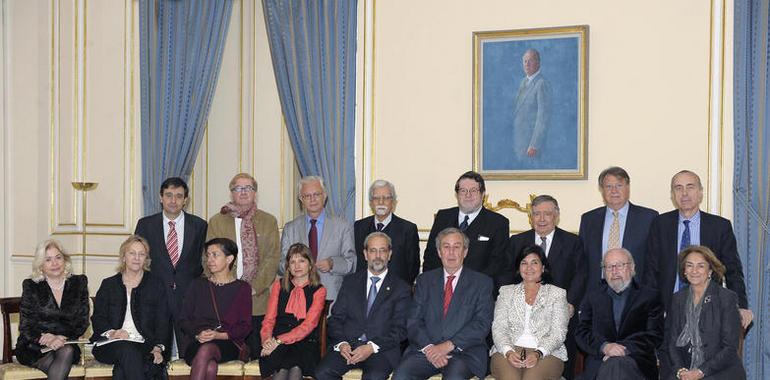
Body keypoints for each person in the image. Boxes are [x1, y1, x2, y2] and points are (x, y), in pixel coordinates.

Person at [644, 170, 752, 328]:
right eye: (678, 188)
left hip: (709, 311)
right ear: (673, 194)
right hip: (667, 312)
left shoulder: (719, 227)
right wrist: (649, 310)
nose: (684, 193)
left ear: (700, 193)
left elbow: (733, 271)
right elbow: (651, 271)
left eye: (690, 187)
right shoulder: (660, 224)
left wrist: (741, 305)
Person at [392, 228, 493, 380]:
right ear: (439, 252)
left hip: (464, 352)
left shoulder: (482, 283)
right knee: (401, 375)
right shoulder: (424, 281)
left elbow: (481, 323)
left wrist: (447, 346)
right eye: (446, 247)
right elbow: (414, 321)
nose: (451, 252)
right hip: (426, 350)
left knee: (454, 377)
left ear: (465, 252)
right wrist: (430, 348)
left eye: (456, 247)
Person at [507, 194, 585, 379]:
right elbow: (506, 275)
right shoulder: (516, 242)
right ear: (530, 217)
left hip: (561, 315)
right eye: (536, 214)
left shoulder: (573, 242)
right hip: (522, 317)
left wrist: (571, 303)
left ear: (556, 216)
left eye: (547, 214)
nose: (541, 219)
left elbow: (580, 275)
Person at [316, 232, 412, 380]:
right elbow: (335, 319)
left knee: (374, 376)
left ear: (390, 254)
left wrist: (371, 347)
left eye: (383, 250)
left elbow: (401, 328)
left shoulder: (401, 288)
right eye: (373, 250)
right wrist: (342, 343)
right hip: (347, 346)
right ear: (365, 254)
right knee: (322, 372)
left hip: (381, 350)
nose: (378, 255)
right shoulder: (350, 282)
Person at [206, 172, 280, 359]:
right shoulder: (217, 221)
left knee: (256, 357)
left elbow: (272, 259)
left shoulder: (268, 221)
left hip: (257, 300)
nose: (244, 192)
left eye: (249, 188)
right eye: (238, 188)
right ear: (231, 193)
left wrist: (252, 288)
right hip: (224, 301)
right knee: (226, 358)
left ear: (255, 193)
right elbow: (209, 258)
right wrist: (227, 289)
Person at [134, 176, 208, 358]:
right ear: (161, 198)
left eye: (178, 196)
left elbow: (205, 262)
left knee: (189, 355)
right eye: (168, 195)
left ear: (185, 200)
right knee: (158, 355)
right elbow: (137, 261)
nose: (173, 201)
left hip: (188, 298)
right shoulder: (145, 225)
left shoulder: (199, 225)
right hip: (156, 297)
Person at [576, 248, 663, 380]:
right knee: (613, 367)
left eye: (620, 265)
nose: (614, 271)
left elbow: (654, 335)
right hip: (600, 360)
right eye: (609, 267)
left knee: (616, 365)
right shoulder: (593, 297)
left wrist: (622, 349)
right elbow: (582, 332)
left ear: (632, 268)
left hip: (636, 361)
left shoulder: (649, 296)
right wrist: (605, 347)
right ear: (604, 272)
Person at [90, 235, 170, 379]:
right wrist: (113, 333)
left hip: (143, 343)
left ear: (146, 258)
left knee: (122, 370)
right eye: (132, 253)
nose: (137, 258)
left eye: (141, 254)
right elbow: (98, 318)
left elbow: (163, 321)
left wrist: (158, 348)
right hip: (111, 344)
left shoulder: (156, 285)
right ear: (123, 257)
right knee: (127, 350)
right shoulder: (109, 285)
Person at [665, 246, 746, 380]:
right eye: (689, 266)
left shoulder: (726, 298)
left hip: (720, 371)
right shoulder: (677, 299)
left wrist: (700, 372)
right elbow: (671, 342)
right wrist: (680, 370)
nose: (694, 271)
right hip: (685, 370)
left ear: (710, 270)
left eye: (701, 266)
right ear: (684, 271)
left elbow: (730, 348)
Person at [490, 244, 569, 380]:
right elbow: (499, 328)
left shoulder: (557, 294)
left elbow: (558, 333)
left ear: (543, 267)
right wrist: (508, 351)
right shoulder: (506, 292)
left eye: (534, 263)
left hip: (547, 352)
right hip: (508, 349)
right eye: (524, 263)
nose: (529, 268)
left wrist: (538, 353)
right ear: (518, 268)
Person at [178, 238, 252, 380]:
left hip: (227, 342)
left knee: (207, 350)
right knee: (210, 366)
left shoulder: (242, 288)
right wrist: (198, 334)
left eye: (215, 255)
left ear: (229, 258)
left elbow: (245, 326)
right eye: (208, 255)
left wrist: (218, 335)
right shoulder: (197, 285)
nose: (209, 260)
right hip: (197, 341)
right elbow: (183, 320)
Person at [15, 239, 89, 380]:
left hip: (66, 343)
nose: (54, 263)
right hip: (35, 347)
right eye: (48, 259)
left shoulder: (78, 283)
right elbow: (26, 326)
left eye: (58, 257)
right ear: (41, 265)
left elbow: (82, 322)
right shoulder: (32, 286)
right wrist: (46, 338)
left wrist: (61, 338)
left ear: (65, 260)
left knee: (66, 351)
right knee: (60, 363)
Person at [422, 171, 510, 290]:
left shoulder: (498, 223)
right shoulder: (443, 217)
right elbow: (431, 256)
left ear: (483, 194)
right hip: (441, 288)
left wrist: (468, 285)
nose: (468, 195)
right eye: (463, 190)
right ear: (457, 194)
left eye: (473, 190)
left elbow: (497, 265)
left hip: (477, 291)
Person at [578, 167, 658, 290]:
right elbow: (582, 262)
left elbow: (653, 261)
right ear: (602, 190)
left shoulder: (648, 218)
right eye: (608, 186)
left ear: (628, 187)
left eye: (619, 186)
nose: (614, 191)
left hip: (635, 292)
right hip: (597, 292)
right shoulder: (589, 219)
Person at [280, 175, 356, 301]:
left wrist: (332, 264)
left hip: (331, 299)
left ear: (324, 196)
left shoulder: (342, 226)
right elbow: (282, 265)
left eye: (316, 194)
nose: (312, 199)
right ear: (301, 199)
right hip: (298, 300)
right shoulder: (290, 229)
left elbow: (351, 263)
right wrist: (296, 267)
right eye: (307, 196)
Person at [260, 243, 327, 380]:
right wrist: (267, 341)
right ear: (288, 267)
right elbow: (269, 319)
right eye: (293, 262)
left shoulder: (319, 290)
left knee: (296, 369)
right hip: (277, 341)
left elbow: (308, 326)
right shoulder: (278, 285)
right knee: (281, 370)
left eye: (302, 261)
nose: (297, 266)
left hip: (305, 342)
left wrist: (279, 341)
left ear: (310, 265)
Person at [354, 180, 420, 285]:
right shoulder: (358, 227)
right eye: (376, 198)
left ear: (393, 202)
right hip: (364, 290)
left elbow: (412, 268)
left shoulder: (407, 229)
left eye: (386, 198)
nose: (381, 202)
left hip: (396, 293)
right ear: (371, 202)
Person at [512, 48, 551, 164]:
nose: (527, 64)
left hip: (530, 146)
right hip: (518, 141)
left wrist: (534, 144)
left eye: (530, 60)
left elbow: (543, 118)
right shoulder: (523, 82)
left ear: (538, 62)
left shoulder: (542, 84)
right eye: (525, 61)